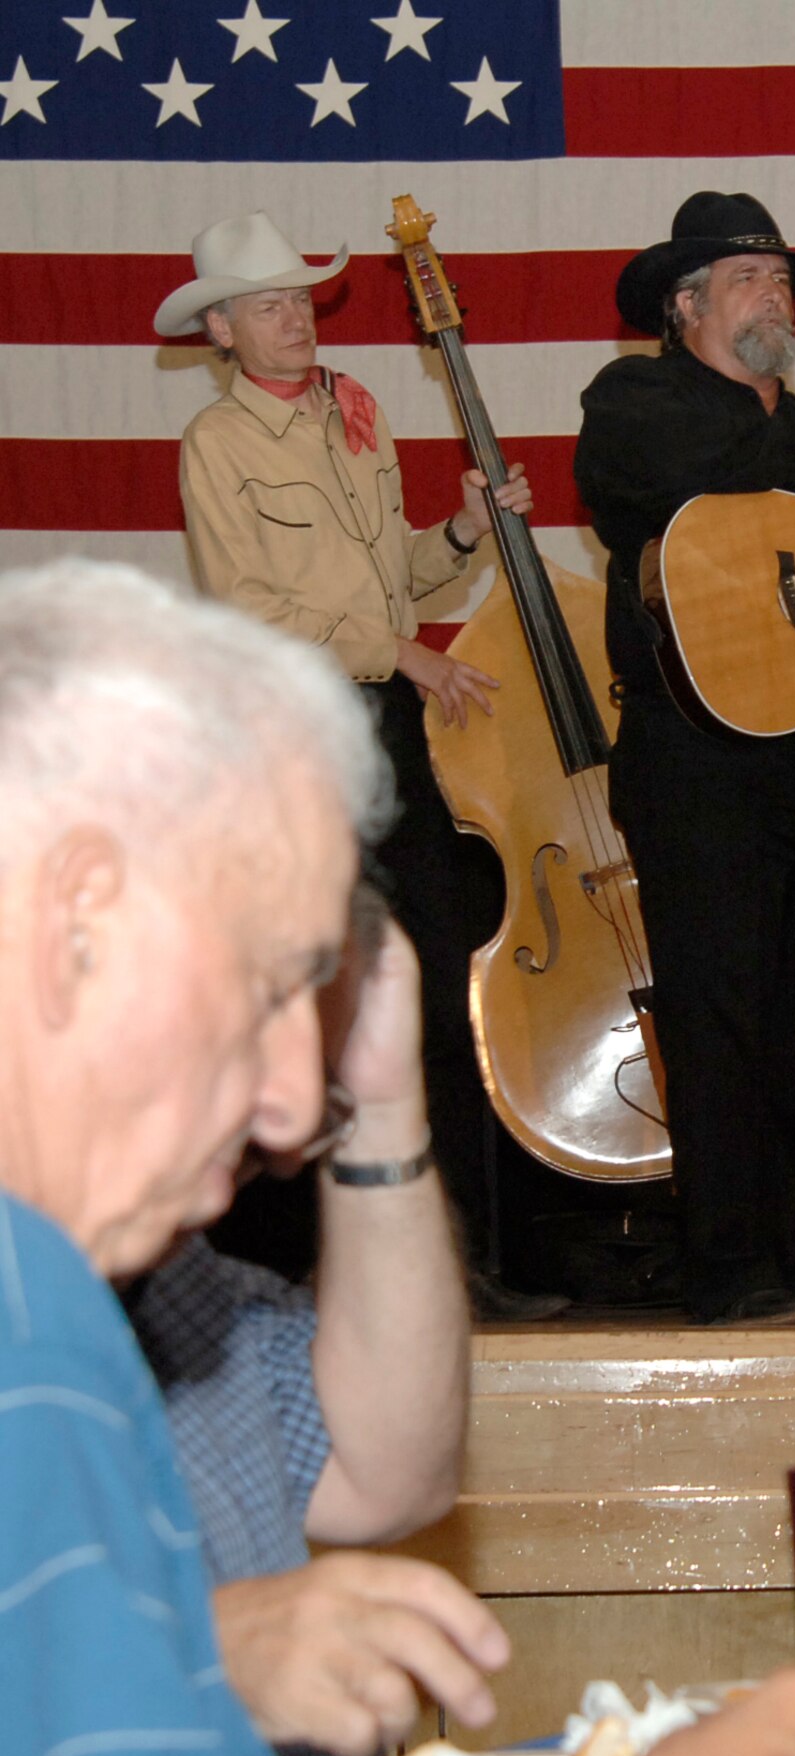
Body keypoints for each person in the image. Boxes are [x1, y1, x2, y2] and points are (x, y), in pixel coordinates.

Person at [0, 560, 795, 1756]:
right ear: (79, 909)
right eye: (270, 981)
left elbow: (381, 1468)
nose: (295, 1104)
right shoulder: (26, 1306)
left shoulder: (107, 1280)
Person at [154, 209, 554, 1318]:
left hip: (395, 733)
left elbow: (402, 587)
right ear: (222, 331)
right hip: (304, 738)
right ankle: (342, 1277)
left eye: (301, 299)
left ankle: (460, 1268)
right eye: (269, 306)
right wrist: (403, 656)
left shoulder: (355, 419)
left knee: (438, 991)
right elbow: (250, 611)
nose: (296, 319)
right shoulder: (218, 445)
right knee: (334, 1012)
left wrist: (464, 533)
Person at [574, 191, 795, 1324]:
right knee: (719, 1007)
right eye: (746, 277)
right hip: (696, 763)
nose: (773, 292)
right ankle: (727, 1266)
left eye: (781, 277)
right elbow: (674, 464)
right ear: (684, 307)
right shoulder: (637, 398)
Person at [128, 899, 496, 1756]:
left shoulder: (163, 1274)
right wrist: (199, 1658)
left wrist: (374, 1106)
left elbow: (386, 1474)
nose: (289, 1126)